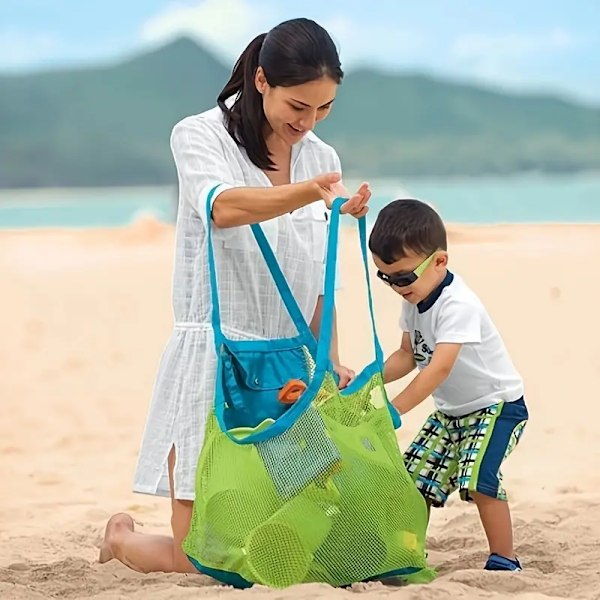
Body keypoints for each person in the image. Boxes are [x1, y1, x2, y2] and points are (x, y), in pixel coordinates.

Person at [99, 17, 371, 574]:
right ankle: (122, 538)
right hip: (215, 358)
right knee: (204, 556)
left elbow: (323, 279)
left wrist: (331, 359)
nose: (308, 122)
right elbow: (221, 208)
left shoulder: (321, 158)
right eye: (299, 106)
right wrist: (308, 195)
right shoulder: (199, 135)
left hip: (291, 371)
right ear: (263, 80)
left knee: (306, 540)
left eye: (323, 109)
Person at [369, 198, 528, 572]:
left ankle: (505, 558)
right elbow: (407, 355)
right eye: (385, 277)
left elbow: (437, 369)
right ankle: (408, 553)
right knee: (414, 480)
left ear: (439, 261)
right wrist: (368, 380)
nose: (396, 286)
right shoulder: (414, 298)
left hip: (497, 407)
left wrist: (395, 409)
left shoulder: (458, 305)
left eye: (403, 277)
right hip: (451, 413)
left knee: (479, 480)